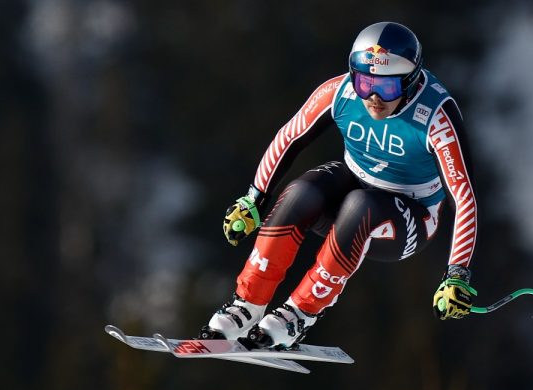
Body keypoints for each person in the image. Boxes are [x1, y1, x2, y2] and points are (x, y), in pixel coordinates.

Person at [198, 21, 479, 348]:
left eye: (386, 88)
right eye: (364, 83)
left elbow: (464, 197)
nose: (373, 98)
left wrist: (457, 273)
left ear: (412, 82)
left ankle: (299, 314)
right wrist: (253, 200)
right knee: (300, 194)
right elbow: (289, 138)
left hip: (410, 219)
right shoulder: (340, 92)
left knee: (361, 206)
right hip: (354, 181)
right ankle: (246, 305)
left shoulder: (435, 115)